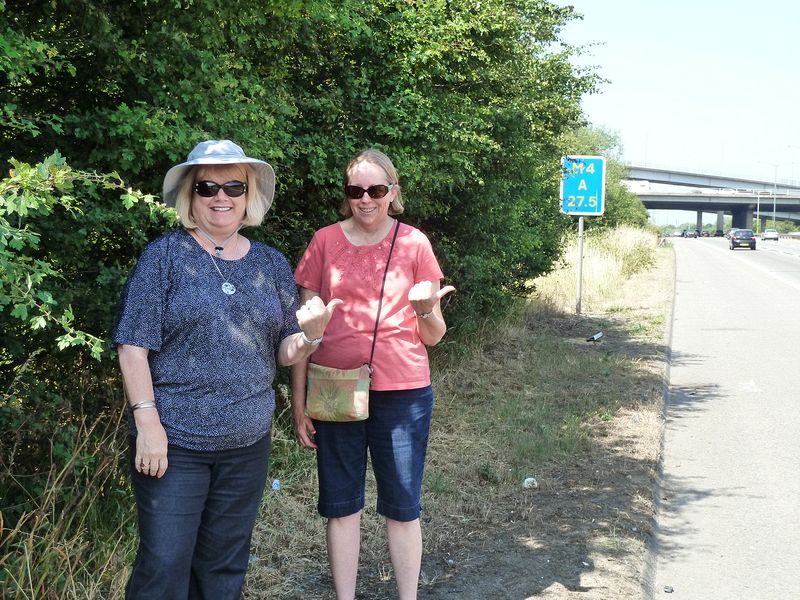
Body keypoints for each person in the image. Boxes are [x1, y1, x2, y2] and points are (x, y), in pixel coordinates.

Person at [114, 140, 339, 599]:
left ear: (248, 195)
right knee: (163, 566)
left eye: (233, 186)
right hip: (174, 443)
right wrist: (147, 422)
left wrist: (311, 335)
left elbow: (283, 349)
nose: (222, 197)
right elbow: (133, 346)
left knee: (223, 568)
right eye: (208, 187)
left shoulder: (270, 263)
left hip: (246, 445)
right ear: (190, 197)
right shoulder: (165, 257)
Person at [291, 148, 455, 600]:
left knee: (402, 507)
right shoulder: (323, 242)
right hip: (335, 387)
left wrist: (426, 311)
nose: (366, 199)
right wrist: (298, 401)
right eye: (356, 190)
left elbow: (434, 335)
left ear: (392, 193)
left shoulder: (415, 244)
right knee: (341, 506)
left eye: (376, 190)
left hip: (403, 391)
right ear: (346, 196)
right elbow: (306, 331)